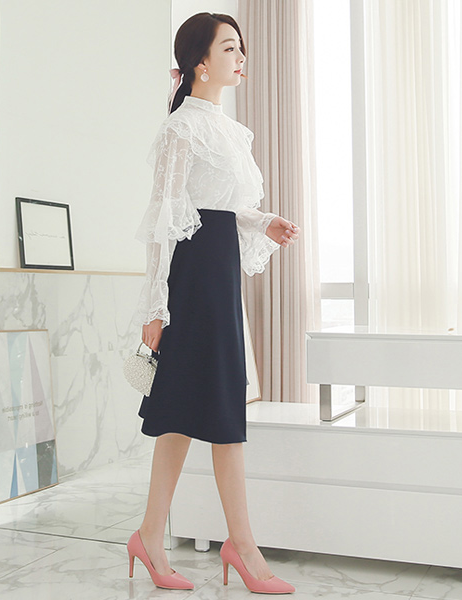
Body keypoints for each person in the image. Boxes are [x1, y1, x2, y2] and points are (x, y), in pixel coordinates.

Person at [127, 12, 299, 595]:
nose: (241, 56)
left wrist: (263, 220)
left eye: (241, 47)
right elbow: (166, 221)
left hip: (220, 275)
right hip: (193, 281)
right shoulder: (181, 130)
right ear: (200, 62)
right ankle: (241, 547)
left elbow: (221, 207)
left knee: (189, 410)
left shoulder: (232, 131)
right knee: (215, 411)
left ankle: (152, 536)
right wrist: (155, 306)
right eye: (229, 48)